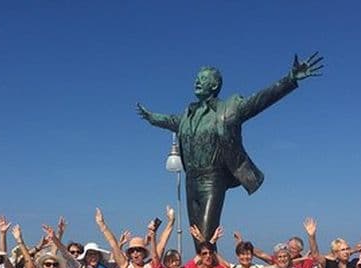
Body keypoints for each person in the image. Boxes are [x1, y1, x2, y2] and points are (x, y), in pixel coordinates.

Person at [136, 53, 323, 248]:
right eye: (196, 79)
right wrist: (151, 117)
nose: (197, 82)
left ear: (214, 85)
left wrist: (290, 79)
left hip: (212, 179)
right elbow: (169, 121)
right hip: (190, 179)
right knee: (196, 236)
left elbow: (260, 100)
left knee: (206, 236)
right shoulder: (187, 116)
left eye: (203, 79)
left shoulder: (229, 108)